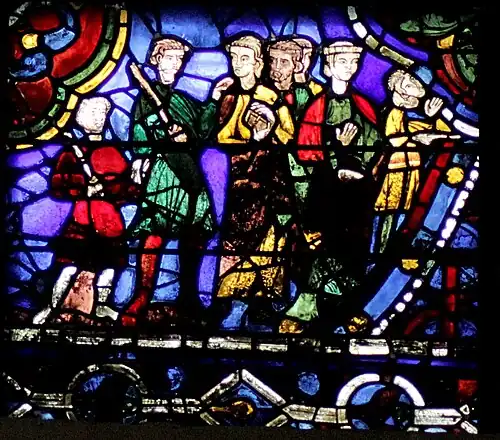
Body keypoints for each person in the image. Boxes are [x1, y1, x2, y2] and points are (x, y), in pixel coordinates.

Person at [282, 40, 383, 332]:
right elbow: (306, 150)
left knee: (353, 248)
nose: (349, 68)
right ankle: (306, 305)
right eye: (342, 62)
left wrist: (357, 164)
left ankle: (349, 307)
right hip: (325, 190)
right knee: (323, 246)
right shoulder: (317, 106)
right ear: (327, 68)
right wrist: (337, 148)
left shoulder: (364, 105)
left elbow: (376, 142)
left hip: (357, 192)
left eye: (353, 62)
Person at [122, 36, 216, 327]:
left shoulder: (183, 101)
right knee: (156, 229)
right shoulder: (145, 99)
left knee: (196, 232)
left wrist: (213, 102)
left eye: (179, 59)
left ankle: (189, 298)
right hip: (164, 168)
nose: (175, 63)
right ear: (156, 60)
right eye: (169, 57)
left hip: (190, 172)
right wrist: (157, 142)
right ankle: (141, 296)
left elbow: (203, 129)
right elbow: (139, 134)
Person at [206, 34, 296, 329]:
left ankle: (264, 298)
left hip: (268, 178)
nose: (238, 64)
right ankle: (226, 294)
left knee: (271, 239)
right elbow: (221, 137)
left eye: (245, 58)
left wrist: (268, 132)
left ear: (258, 64)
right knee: (233, 238)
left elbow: (288, 136)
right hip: (237, 179)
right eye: (234, 58)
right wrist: (253, 138)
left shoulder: (272, 97)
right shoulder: (229, 97)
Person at [33, 97, 137, 325]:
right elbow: (58, 184)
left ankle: (101, 305)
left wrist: (113, 187)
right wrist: (83, 188)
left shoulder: (113, 151)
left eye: (103, 113)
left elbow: (127, 188)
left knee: (109, 267)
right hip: (82, 217)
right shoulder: (72, 152)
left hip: (110, 220)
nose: (99, 118)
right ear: (82, 118)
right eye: (94, 112)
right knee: (69, 265)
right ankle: (53, 306)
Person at [371, 69, 452, 253]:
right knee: (387, 214)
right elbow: (393, 139)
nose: (414, 85)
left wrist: (434, 116)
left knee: (409, 214)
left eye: (413, 82)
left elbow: (448, 134)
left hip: (417, 170)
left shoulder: (429, 109)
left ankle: (399, 249)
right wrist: (415, 137)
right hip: (395, 171)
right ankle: (379, 253)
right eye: (406, 85)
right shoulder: (396, 112)